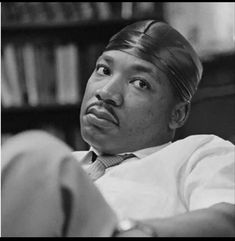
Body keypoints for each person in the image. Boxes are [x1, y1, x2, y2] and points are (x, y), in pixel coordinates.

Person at [1, 20, 235, 237]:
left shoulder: (199, 155)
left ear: (177, 114)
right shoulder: (64, 168)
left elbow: (228, 219)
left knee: (36, 153)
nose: (106, 92)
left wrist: (129, 233)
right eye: (104, 70)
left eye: (140, 83)